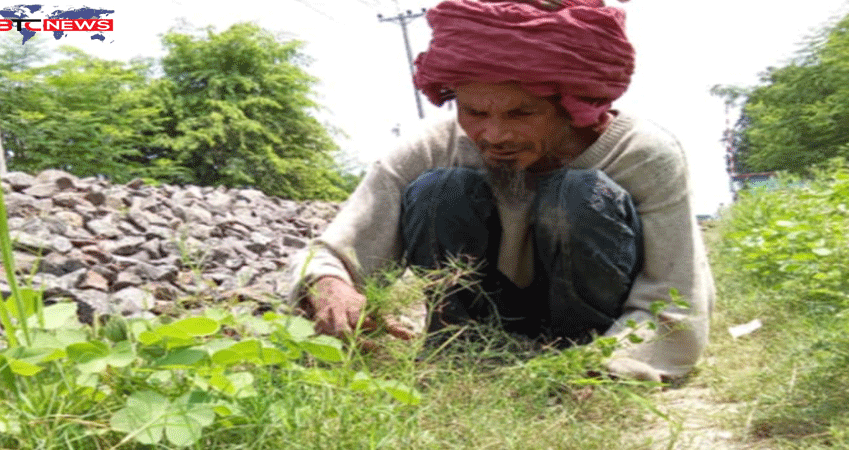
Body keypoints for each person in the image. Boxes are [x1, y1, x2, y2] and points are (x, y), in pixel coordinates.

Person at [287, 0, 715, 382]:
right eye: (473, 111)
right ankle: (463, 354)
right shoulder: (435, 145)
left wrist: (614, 361)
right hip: (479, 334)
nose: (493, 134)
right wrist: (330, 286)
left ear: (573, 107)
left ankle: (577, 360)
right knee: (440, 190)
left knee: (579, 193)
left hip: (596, 343)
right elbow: (337, 249)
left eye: (521, 112)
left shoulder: (642, 154)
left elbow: (674, 295)